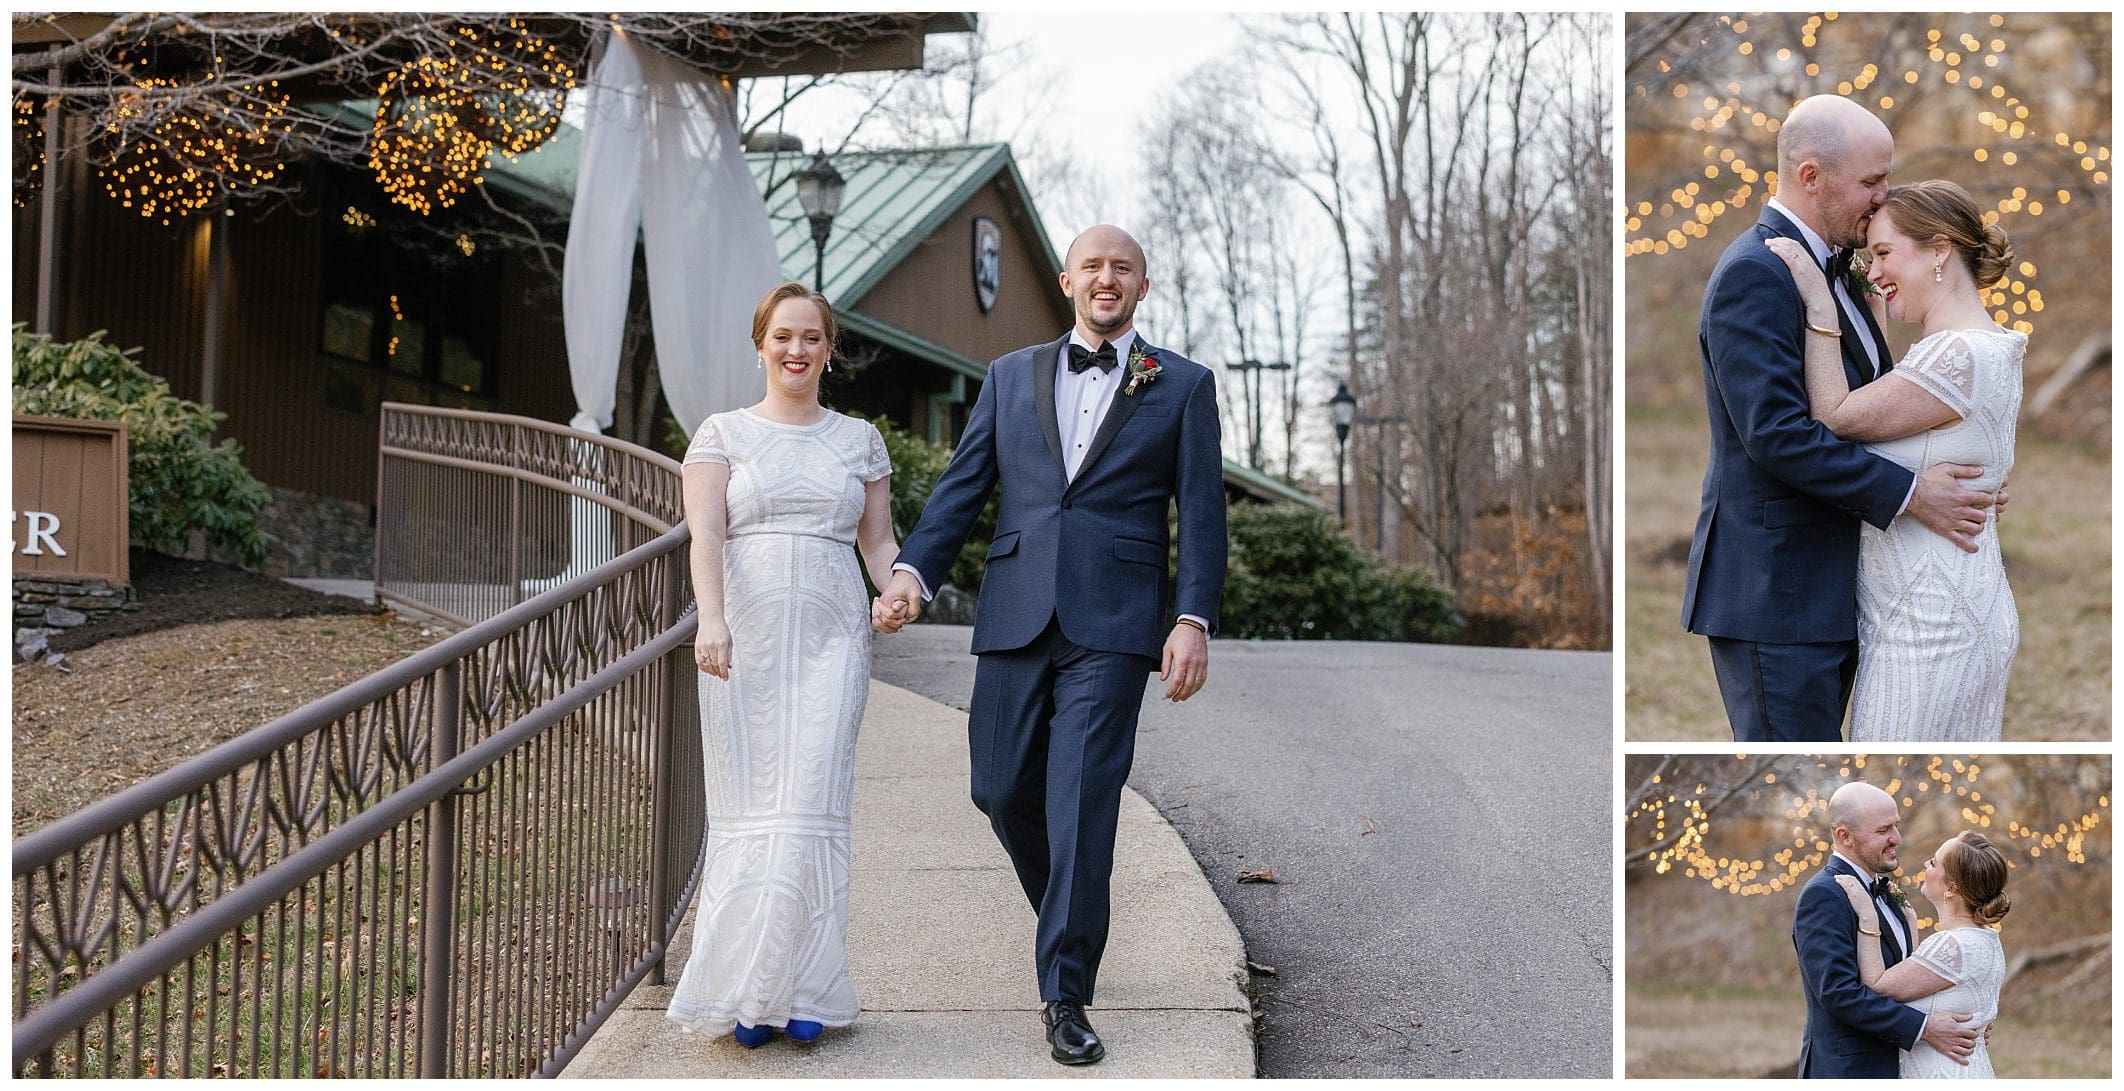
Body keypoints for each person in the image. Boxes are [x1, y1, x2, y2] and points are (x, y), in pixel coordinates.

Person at [871, 224, 1227, 1065]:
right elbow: (962, 490)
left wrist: (1192, 618)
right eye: (1093, 267)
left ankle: (1065, 990)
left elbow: (1201, 514)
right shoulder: (1008, 375)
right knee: (997, 788)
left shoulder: (1181, 385)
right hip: (1016, 610)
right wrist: (912, 575)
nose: (1108, 279)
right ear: (1067, 281)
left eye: (1123, 268)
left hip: (1116, 623)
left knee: (1078, 801)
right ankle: (1074, 915)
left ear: (1143, 283)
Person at [1682, 94, 1997, 740]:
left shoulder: (1848, 274)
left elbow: (1868, 411)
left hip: (1836, 592)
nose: (1885, 198)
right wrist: (1912, 493)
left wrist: (1945, 472)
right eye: (1872, 181)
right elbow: (1776, 435)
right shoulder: (1756, 273)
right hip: (1777, 594)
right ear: (1811, 178)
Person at [664, 283, 900, 1048]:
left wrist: (900, 584)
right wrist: (713, 619)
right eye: (783, 337)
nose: (797, 350)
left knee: (810, 806)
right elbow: (705, 536)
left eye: (812, 338)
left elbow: (876, 543)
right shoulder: (722, 433)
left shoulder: (859, 438)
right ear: (760, 345)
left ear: (831, 349)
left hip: (833, 639)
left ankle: (805, 986)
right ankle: (745, 991)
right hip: (746, 640)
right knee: (753, 809)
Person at [1765, 180, 2022, 740]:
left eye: (1884, 254)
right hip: (1943, 610)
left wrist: (1818, 303)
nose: (1873, 270)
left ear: (1938, 249)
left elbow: (1836, 415)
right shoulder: (1981, 345)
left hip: (1930, 627)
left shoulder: (1957, 354)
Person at [1792, 783, 1983, 1078]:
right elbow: (1838, 993)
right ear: (1845, 836)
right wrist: (1925, 1027)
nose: (1897, 838)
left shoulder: (1887, 891)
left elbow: (1904, 981)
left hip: (1901, 1065)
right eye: (1883, 830)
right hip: (1852, 1070)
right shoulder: (1825, 894)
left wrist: (1972, 1020)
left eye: (1896, 826)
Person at [1832, 830, 2011, 1079]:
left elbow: (1877, 986)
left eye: (1935, 863)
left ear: (1951, 888)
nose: (1927, 864)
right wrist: (1910, 926)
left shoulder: (1952, 944)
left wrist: (1868, 917)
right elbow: (1930, 988)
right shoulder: (1985, 938)